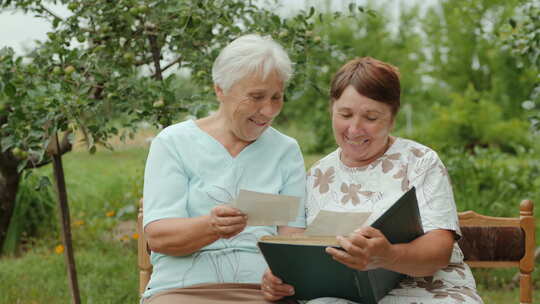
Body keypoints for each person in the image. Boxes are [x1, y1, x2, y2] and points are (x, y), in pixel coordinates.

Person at [261, 57, 483, 304]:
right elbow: (301, 252)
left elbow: (439, 251)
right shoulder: (317, 175)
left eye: (371, 117)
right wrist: (280, 279)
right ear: (331, 110)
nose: (354, 129)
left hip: (428, 291)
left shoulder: (420, 162)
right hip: (343, 296)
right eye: (345, 114)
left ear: (392, 118)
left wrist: (388, 256)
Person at [142, 34, 306, 304]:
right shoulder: (173, 143)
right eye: (256, 97)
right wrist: (211, 226)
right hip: (183, 292)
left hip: (263, 293)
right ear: (220, 89)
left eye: (277, 97)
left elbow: (292, 237)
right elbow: (159, 236)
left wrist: (279, 276)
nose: (268, 110)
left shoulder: (286, 151)